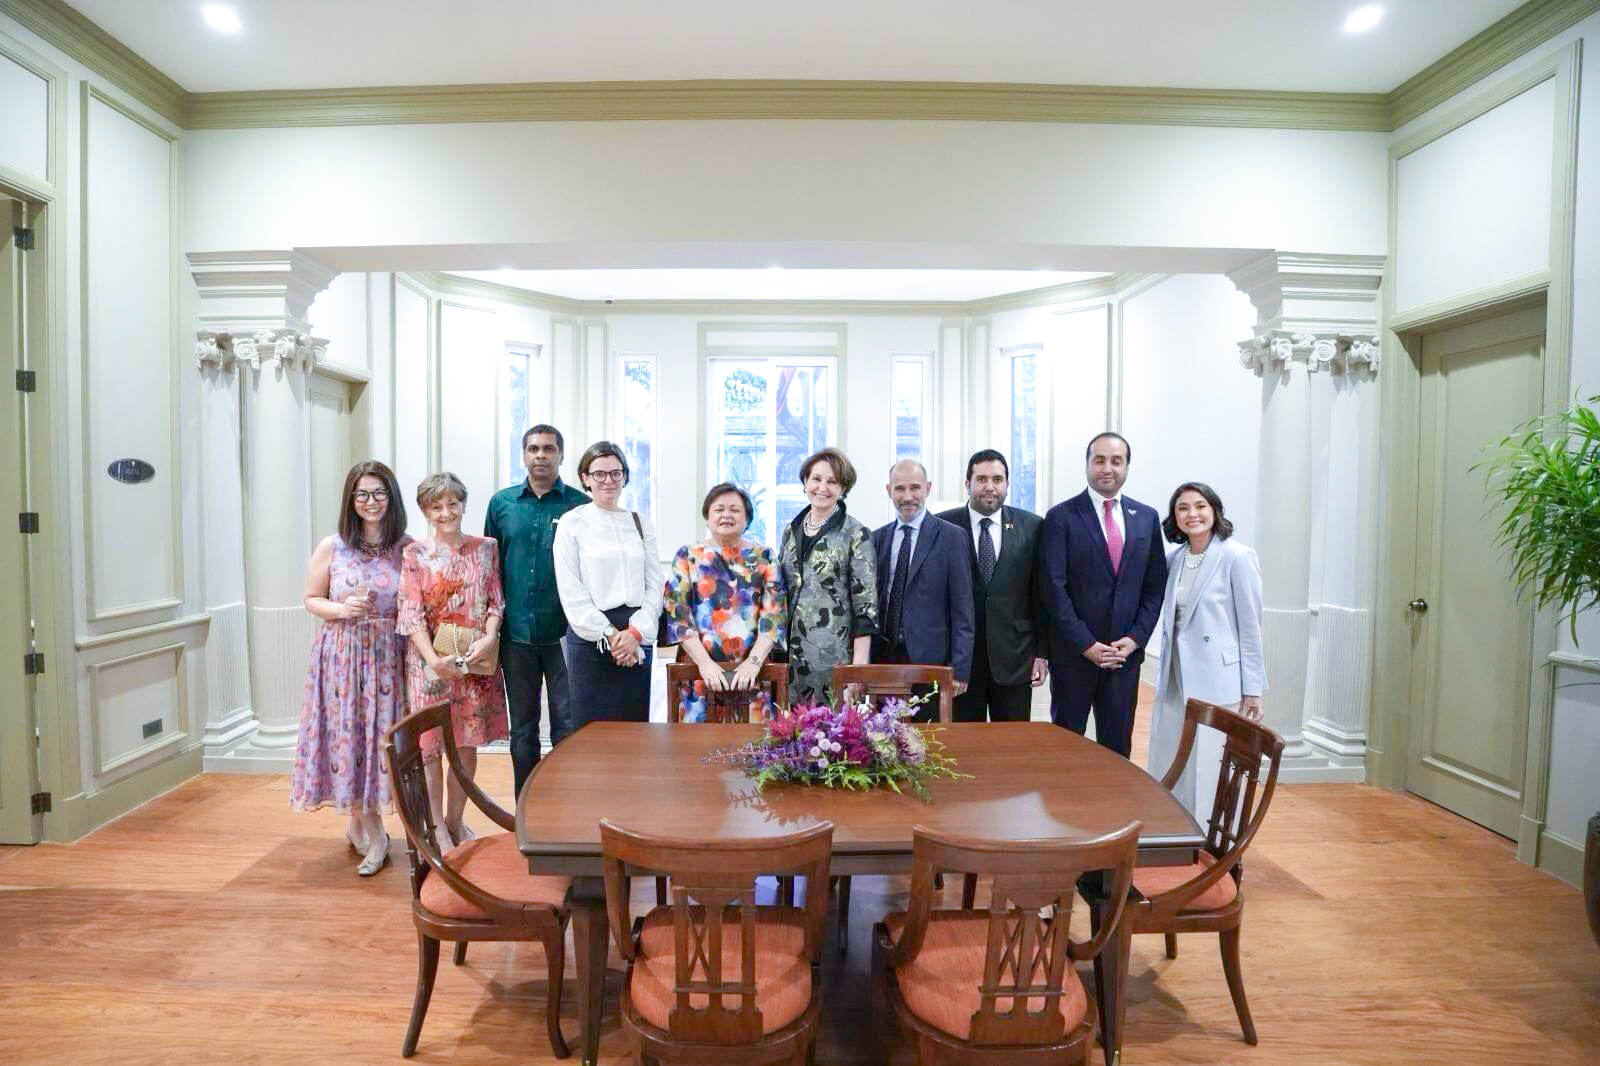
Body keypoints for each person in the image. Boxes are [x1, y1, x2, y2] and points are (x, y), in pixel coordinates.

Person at [291, 460, 412, 876]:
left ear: (391, 497)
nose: (371, 501)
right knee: (349, 737)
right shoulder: (334, 546)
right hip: (342, 654)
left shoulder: (406, 547)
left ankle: (363, 826)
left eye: (379, 493)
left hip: (386, 656)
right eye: (362, 494)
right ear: (351, 499)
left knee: (379, 742)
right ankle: (373, 833)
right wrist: (342, 608)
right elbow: (311, 598)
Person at [396, 472, 508, 851]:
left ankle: (455, 821)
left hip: (474, 660)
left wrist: (491, 636)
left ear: (463, 504)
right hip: (430, 664)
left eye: (452, 503)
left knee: (466, 746)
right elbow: (409, 612)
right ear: (426, 512)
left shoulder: (485, 548)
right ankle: (436, 830)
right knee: (430, 749)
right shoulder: (414, 554)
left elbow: (495, 600)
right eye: (436, 506)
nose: (446, 512)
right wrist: (433, 660)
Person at [1041, 432, 1168, 757]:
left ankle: (1114, 809)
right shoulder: (1061, 517)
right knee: (1066, 746)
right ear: (1087, 464)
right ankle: (1064, 807)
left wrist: (1136, 638)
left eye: (1116, 461)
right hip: (1074, 657)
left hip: (1124, 658)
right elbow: (1054, 589)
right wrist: (1085, 644)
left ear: (1127, 466)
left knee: (1117, 748)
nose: (1107, 468)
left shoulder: (1147, 518)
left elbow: (1155, 587)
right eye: (1099, 460)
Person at [1147, 482, 1265, 816]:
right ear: (1174, 517)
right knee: (1171, 749)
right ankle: (1173, 823)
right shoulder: (1174, 558)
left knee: (1209, 760)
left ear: (1214, 510)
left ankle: (1206, 831)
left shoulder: (1237, 557)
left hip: (1217, 675)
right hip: (1175, 672)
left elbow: (1251, 628)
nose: (1192, 514)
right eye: (1182, 508)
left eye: (1200, 506)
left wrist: (1252, 690)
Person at [484, 424, 589, 799]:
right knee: (523, 731)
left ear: (561, 455)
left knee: (566, 727)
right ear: (524, 455)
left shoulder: (580, 505)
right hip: (516, 636)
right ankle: (526, 810)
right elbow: (489, 569)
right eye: (533, 449)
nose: (540, 455)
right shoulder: (502, 504)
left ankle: (564, 808)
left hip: (567, 636)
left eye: (548, 449)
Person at [552, 442, 663, 728]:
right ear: (585, 478)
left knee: (634, 729)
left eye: (616, 473)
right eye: (599, 474)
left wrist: (635, 634)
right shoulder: (571, 523)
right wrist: (612, 636)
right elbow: (570, 588)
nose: (608, 481)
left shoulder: (641, 522)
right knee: (589, 733)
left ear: (625, 477)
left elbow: (654, 584)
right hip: (592, 634)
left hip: (636, 632)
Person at [936, 449, 1049, 723]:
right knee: (963, 749)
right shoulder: (942, 526)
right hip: (961, 662)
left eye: (997, 479)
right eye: (982, 479)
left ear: (1007, 485)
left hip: (1015, 659)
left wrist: (1041, 654)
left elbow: (1041, 595)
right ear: (968, 484)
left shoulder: (1032, 527)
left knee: (1012, 749)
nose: (990, 486)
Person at [662, 483, 787, 721]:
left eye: (735, 510)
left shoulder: (765, 557)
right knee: (696, 749)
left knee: (756, 750)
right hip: (699, 671)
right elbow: (679, 616)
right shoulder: (687, 556)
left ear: (748, 518)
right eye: (719, 509)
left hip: (753, 673)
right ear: (707, 517)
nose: (726, 515)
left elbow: (774, 617)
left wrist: (754, 662)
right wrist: (705, 664)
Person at [871, 459, 974, 718]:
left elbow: (963, 608)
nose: (908, 496)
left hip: (932, 662)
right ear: (888, 490)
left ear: (927, 488)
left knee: (928, 744)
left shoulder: (952, 536)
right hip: (885, 660)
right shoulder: (877, 538)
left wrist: (959, 670)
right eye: (900, 489)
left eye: (915, 488)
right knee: (885, 742)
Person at [777, 447, 878, 704]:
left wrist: (858, 670)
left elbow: (866, 607)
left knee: (833, 738)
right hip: (788, 658)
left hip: (834, 659)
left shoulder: (856, 533)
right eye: (816, 479)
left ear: (843, 489)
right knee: (789, 737)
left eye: (832, 482)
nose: (822, 487)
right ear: (805, 482)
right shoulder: (790, 530)